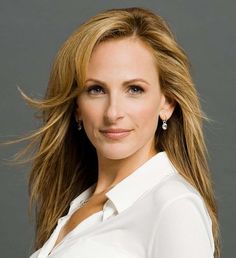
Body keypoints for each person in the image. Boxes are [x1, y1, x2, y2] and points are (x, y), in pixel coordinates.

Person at [16, 7, 220, 258]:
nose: (113, 113)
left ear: (167, 104)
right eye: (96, 90)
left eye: (134, 89)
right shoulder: (80, 202)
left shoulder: (174, 206)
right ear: (77, 107)